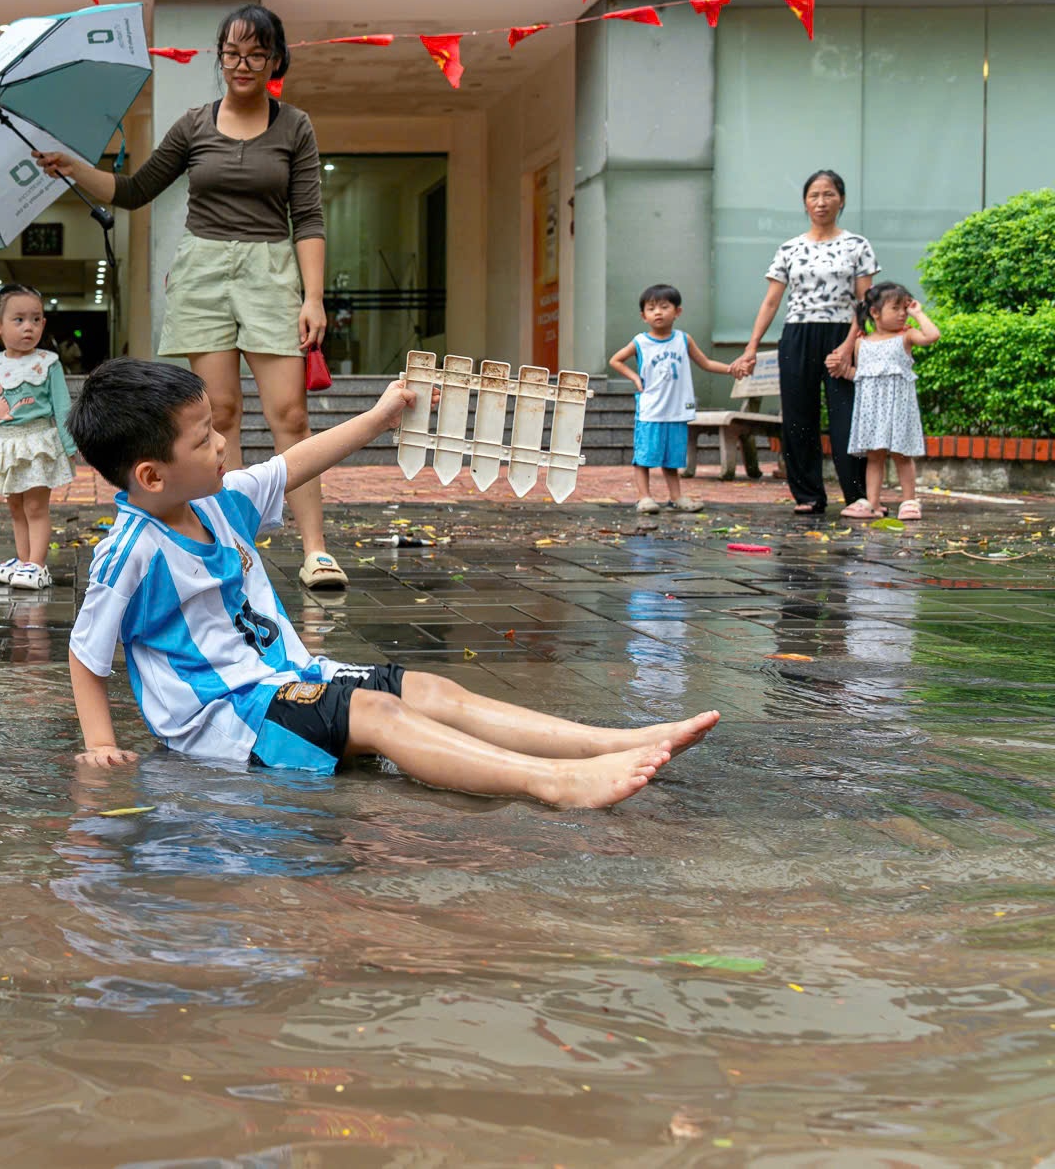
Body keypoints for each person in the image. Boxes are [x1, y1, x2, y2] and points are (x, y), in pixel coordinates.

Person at [63, 358, 719, 807]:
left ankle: (616, 742)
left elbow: (296, 462)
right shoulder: (131, 552)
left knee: (426, 688)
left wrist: (379, 419)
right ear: (151, 475)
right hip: (230, 721)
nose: (221, 445)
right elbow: (86, 653)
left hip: (291, 678)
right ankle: (553, 782)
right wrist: (101, 745)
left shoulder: (218, 500)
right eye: (204, 437)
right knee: (379, 714)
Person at [35, 4, 348, 592]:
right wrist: (75, 169)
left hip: (271, 271)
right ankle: (236, 549)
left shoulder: (294, 126)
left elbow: (308, 216)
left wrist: (313, 297)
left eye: (256, 54)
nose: (243, 65)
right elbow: (135, 190)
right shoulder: (194, 125)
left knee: (291, 414)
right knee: (219, 414)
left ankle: (316, 550)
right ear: (220, 58)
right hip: (202, 272)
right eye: (232, 53)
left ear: (276, 60)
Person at [733, 170, 879, 515]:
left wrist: (849, 346)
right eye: (814, 195)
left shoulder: (857, 245)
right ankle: (808, 495)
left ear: (841, 200)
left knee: (846, 417)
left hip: (842, 334)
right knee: (798, 418)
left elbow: (865, 302)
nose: (821, 202)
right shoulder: (790, 248)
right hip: (797, 335)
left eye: (829, 194)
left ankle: (858, 496)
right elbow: (771, 301)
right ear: (805, 203)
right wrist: (752, 347)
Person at [0, 283, 76, 590]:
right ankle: (24, 559)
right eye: (19, 319)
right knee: (15, 507)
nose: (29, 327)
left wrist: (70, 445)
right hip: (6, 444)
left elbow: (62, 407)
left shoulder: (48, 363)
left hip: (37, 443)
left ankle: (37, 565)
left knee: (35, 507)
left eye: (36, 319)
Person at [608, 283, 733, 515]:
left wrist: (731, 369)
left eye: (664, 307)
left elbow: (705, 363)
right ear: (643, 315)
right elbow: (616, 360)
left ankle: (676, 497)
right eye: (651, 308)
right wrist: (635, 378)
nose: (658, 312)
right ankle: (644, 497)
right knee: (644, 455)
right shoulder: (640, 342)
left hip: (676, 410)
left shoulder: (683, 340)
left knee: (673, 457)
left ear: (677, 311)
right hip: (651, 410)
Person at [844, 281, 940, 522]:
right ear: (875, 312)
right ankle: (873, 503)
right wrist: (843, 370)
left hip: (899, 409)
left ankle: (909, 501)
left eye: (904, 308)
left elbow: (932, 336)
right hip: (872, 411)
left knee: (901, 454)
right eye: (895, 308)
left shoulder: (906, 336)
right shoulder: (861, 342)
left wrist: (918, 313)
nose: (902, 314)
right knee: (874, 456)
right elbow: (861, 374)